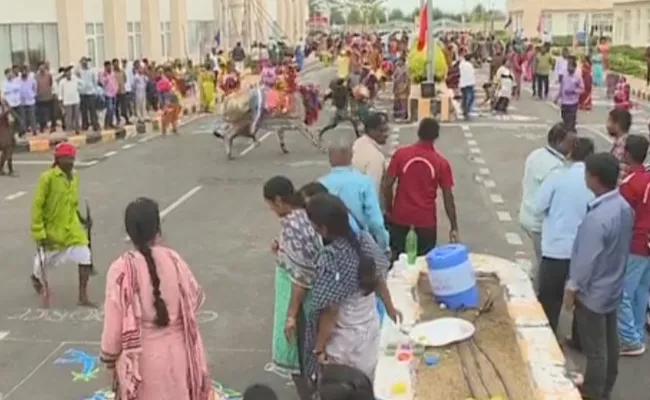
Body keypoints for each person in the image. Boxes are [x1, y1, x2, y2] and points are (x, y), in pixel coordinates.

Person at [100, 198, 213, 400]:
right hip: (180, 357)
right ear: (157, 228)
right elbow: (193, 301)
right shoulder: (174, 260)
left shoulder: (121, 269)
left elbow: (113, 331)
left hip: (144, 364)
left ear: (129, 231)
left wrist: (110, 360)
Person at [564, 153, 634, 400]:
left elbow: (585, 261)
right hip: (613, 287)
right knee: (609, 344)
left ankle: (594, 393)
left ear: (594, 178)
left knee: (596, 350)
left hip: (593, 293)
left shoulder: (597, 218)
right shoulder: (624, 207)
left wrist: (572, 290)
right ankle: (605, 388)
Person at [303, 193, 382, 381]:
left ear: (322, 228)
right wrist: (392, 310)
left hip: (344, 342)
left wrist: (319, 348)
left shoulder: (330, 258)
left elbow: (330, 311)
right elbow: (380, 275)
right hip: (369, 331)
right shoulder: (364, 240)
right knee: (367, 385)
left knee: (345, 390)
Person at [262, 176, 322, 399]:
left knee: (300, 356)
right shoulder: (304, 216)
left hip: (302, 302)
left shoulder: (293, 226)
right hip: (308, 298)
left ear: (278, 200)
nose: (271, 209)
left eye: (270, 204)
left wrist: (291, 315)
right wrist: (282, 250)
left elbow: (301, 276)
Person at [535, 137, 595, 334]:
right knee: (583, 299)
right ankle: (578, 338)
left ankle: (548, 334)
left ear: (570, 154)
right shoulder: (595, 182)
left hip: (556, 247)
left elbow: (539, 206)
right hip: (583, 251)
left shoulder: (557, 176)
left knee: (550, 298)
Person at [382, 118, 458, 260]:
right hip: (426, 223)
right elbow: (448, 197)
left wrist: (389, 208)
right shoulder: (441, 163)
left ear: (418, 132)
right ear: (436, 136)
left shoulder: (401, 155)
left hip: (400, 219)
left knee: (398, 262)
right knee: (423, 266)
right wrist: (453, 226)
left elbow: (387, 185)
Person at [30, 143, 93, 307]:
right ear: (58, 160)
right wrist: (39, 232)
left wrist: (81, 219)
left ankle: (83, 296)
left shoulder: (75, 176)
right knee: (44, 262)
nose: (71, 162)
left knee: (85, 255)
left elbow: (72, 202)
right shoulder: (47, 178)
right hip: (52, 229)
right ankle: (36, 277)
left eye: (72, 158)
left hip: (72, 228)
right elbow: (38, 206)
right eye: (67, 159)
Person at [518, 123, 574, 285]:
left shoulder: (536, 154)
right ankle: (536, 297)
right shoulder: (555, 167)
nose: (572, 148)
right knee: (546, 265)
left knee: (541, 259)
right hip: (539, 222)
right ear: (558, 141)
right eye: (570, 143)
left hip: (527, 213)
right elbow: (551, 200)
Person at [319, 141, 389, 252]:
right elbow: (376, 222)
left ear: (329, 159)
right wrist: (383, 246)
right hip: (359, 244)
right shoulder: (364, 182)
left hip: (331, 247)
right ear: (351, 156)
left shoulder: (321, 184)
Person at [617, 135, 650, 356]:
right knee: (640, 291)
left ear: (628, 154)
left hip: (635, 243)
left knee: (621, 293)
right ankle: (636, 333)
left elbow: (621, 217)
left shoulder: (630, 185)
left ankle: (630, 339)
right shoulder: (646, 177)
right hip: (647, 242)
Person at [352, 112, 389, 195]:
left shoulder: (358, 143)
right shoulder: (375, 157)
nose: (386, 135)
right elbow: (372, 191)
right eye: (382, 130)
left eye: (387, 130)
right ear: (371, 131)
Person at [555, 56, 583, 131]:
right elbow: (561, 87)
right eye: (568, 66)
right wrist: (557, 97)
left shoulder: (578, 77)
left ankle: (571, 135)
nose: (568, 68)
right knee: (565, 118)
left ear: (574, 67)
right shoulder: (565, 76)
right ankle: (569, 131)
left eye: (570, 66)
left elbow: (582, 89)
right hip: (564, 102)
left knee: (571, 121)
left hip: (573, 102)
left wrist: (574, 91)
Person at [607, 108, 632, 183]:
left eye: (609, 121)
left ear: (617, 125)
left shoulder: (622, 147)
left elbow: (619, 175)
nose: (607, 125)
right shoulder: (620, 143)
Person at [157, 67, 183, 135]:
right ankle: (164, 129)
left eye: (171, 72)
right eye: (168, 72)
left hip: (174, 99)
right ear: (165, 73)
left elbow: (176, 89)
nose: (170, 74)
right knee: (166, 115)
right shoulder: (163, 81)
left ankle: (174, 128)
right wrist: (161, 102)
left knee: (175, 114)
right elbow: (160, 92)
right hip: (167, 100)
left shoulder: (173, 80)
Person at [57, 66, 81, 135]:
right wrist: (61, 103)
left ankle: (77, 129)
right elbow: (60, 93)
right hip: (67, 102)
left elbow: (82, 84)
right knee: (68, 117)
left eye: (69, 73)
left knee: (76, 116)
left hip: (76, 100)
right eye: (67, 73)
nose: (69, 74)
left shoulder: (75, 79)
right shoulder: (62, 82)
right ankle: (69, 130)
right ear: (65, 74)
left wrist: (79, 89)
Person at [0, 95, 16, 175]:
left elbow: (11, 113)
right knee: (6, 149)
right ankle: (9, 169)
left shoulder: (4, 102)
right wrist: (7, 111)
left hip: (7, 129)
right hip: (2, 130)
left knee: (7, 150)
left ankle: (7, 169)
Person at [459, 53, 476, 120]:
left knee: (465, 97)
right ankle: (466, 110)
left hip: (463, 83)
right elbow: (471, 75)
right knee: (471, 97)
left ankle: (464, 109)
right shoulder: (469, 65)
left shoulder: (462, 64)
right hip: (469, 83)